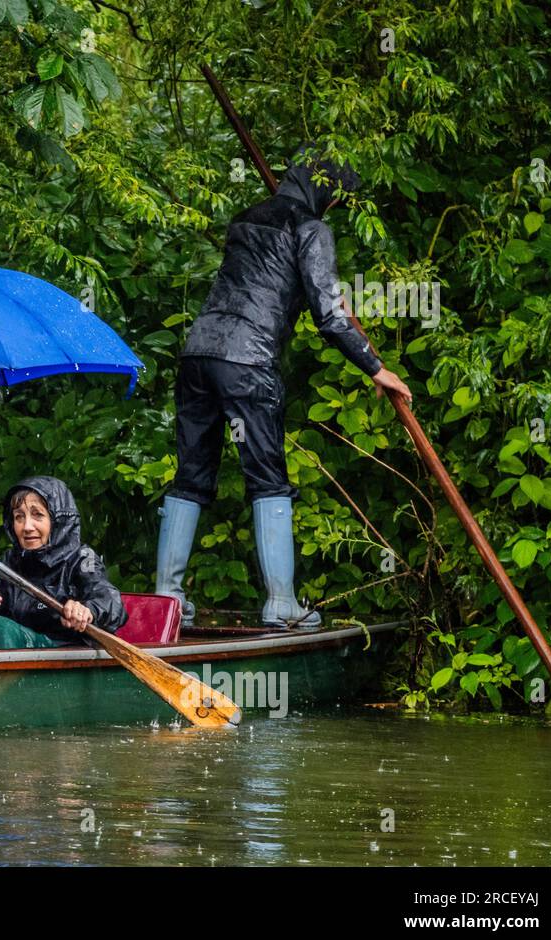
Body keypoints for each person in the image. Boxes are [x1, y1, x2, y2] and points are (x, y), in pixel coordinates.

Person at [155, 146, 414, 630]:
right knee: (267, 476)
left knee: (192, 473)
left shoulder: (246, 219)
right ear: (327, 193)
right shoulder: (311, 229)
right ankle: (280, 604)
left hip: (198, 352)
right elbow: (329, 314)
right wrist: (375, 367)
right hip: (247, 360)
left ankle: (166, 599)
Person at [0, 476, 127, 647]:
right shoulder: (8, 562)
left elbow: (110, 600)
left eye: (38, 515)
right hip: (17, 653)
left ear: (58, 520)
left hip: (66, 655)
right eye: (19, 517)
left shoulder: (82, 557)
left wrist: (87, 610)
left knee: (1, 629)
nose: (27, 526)